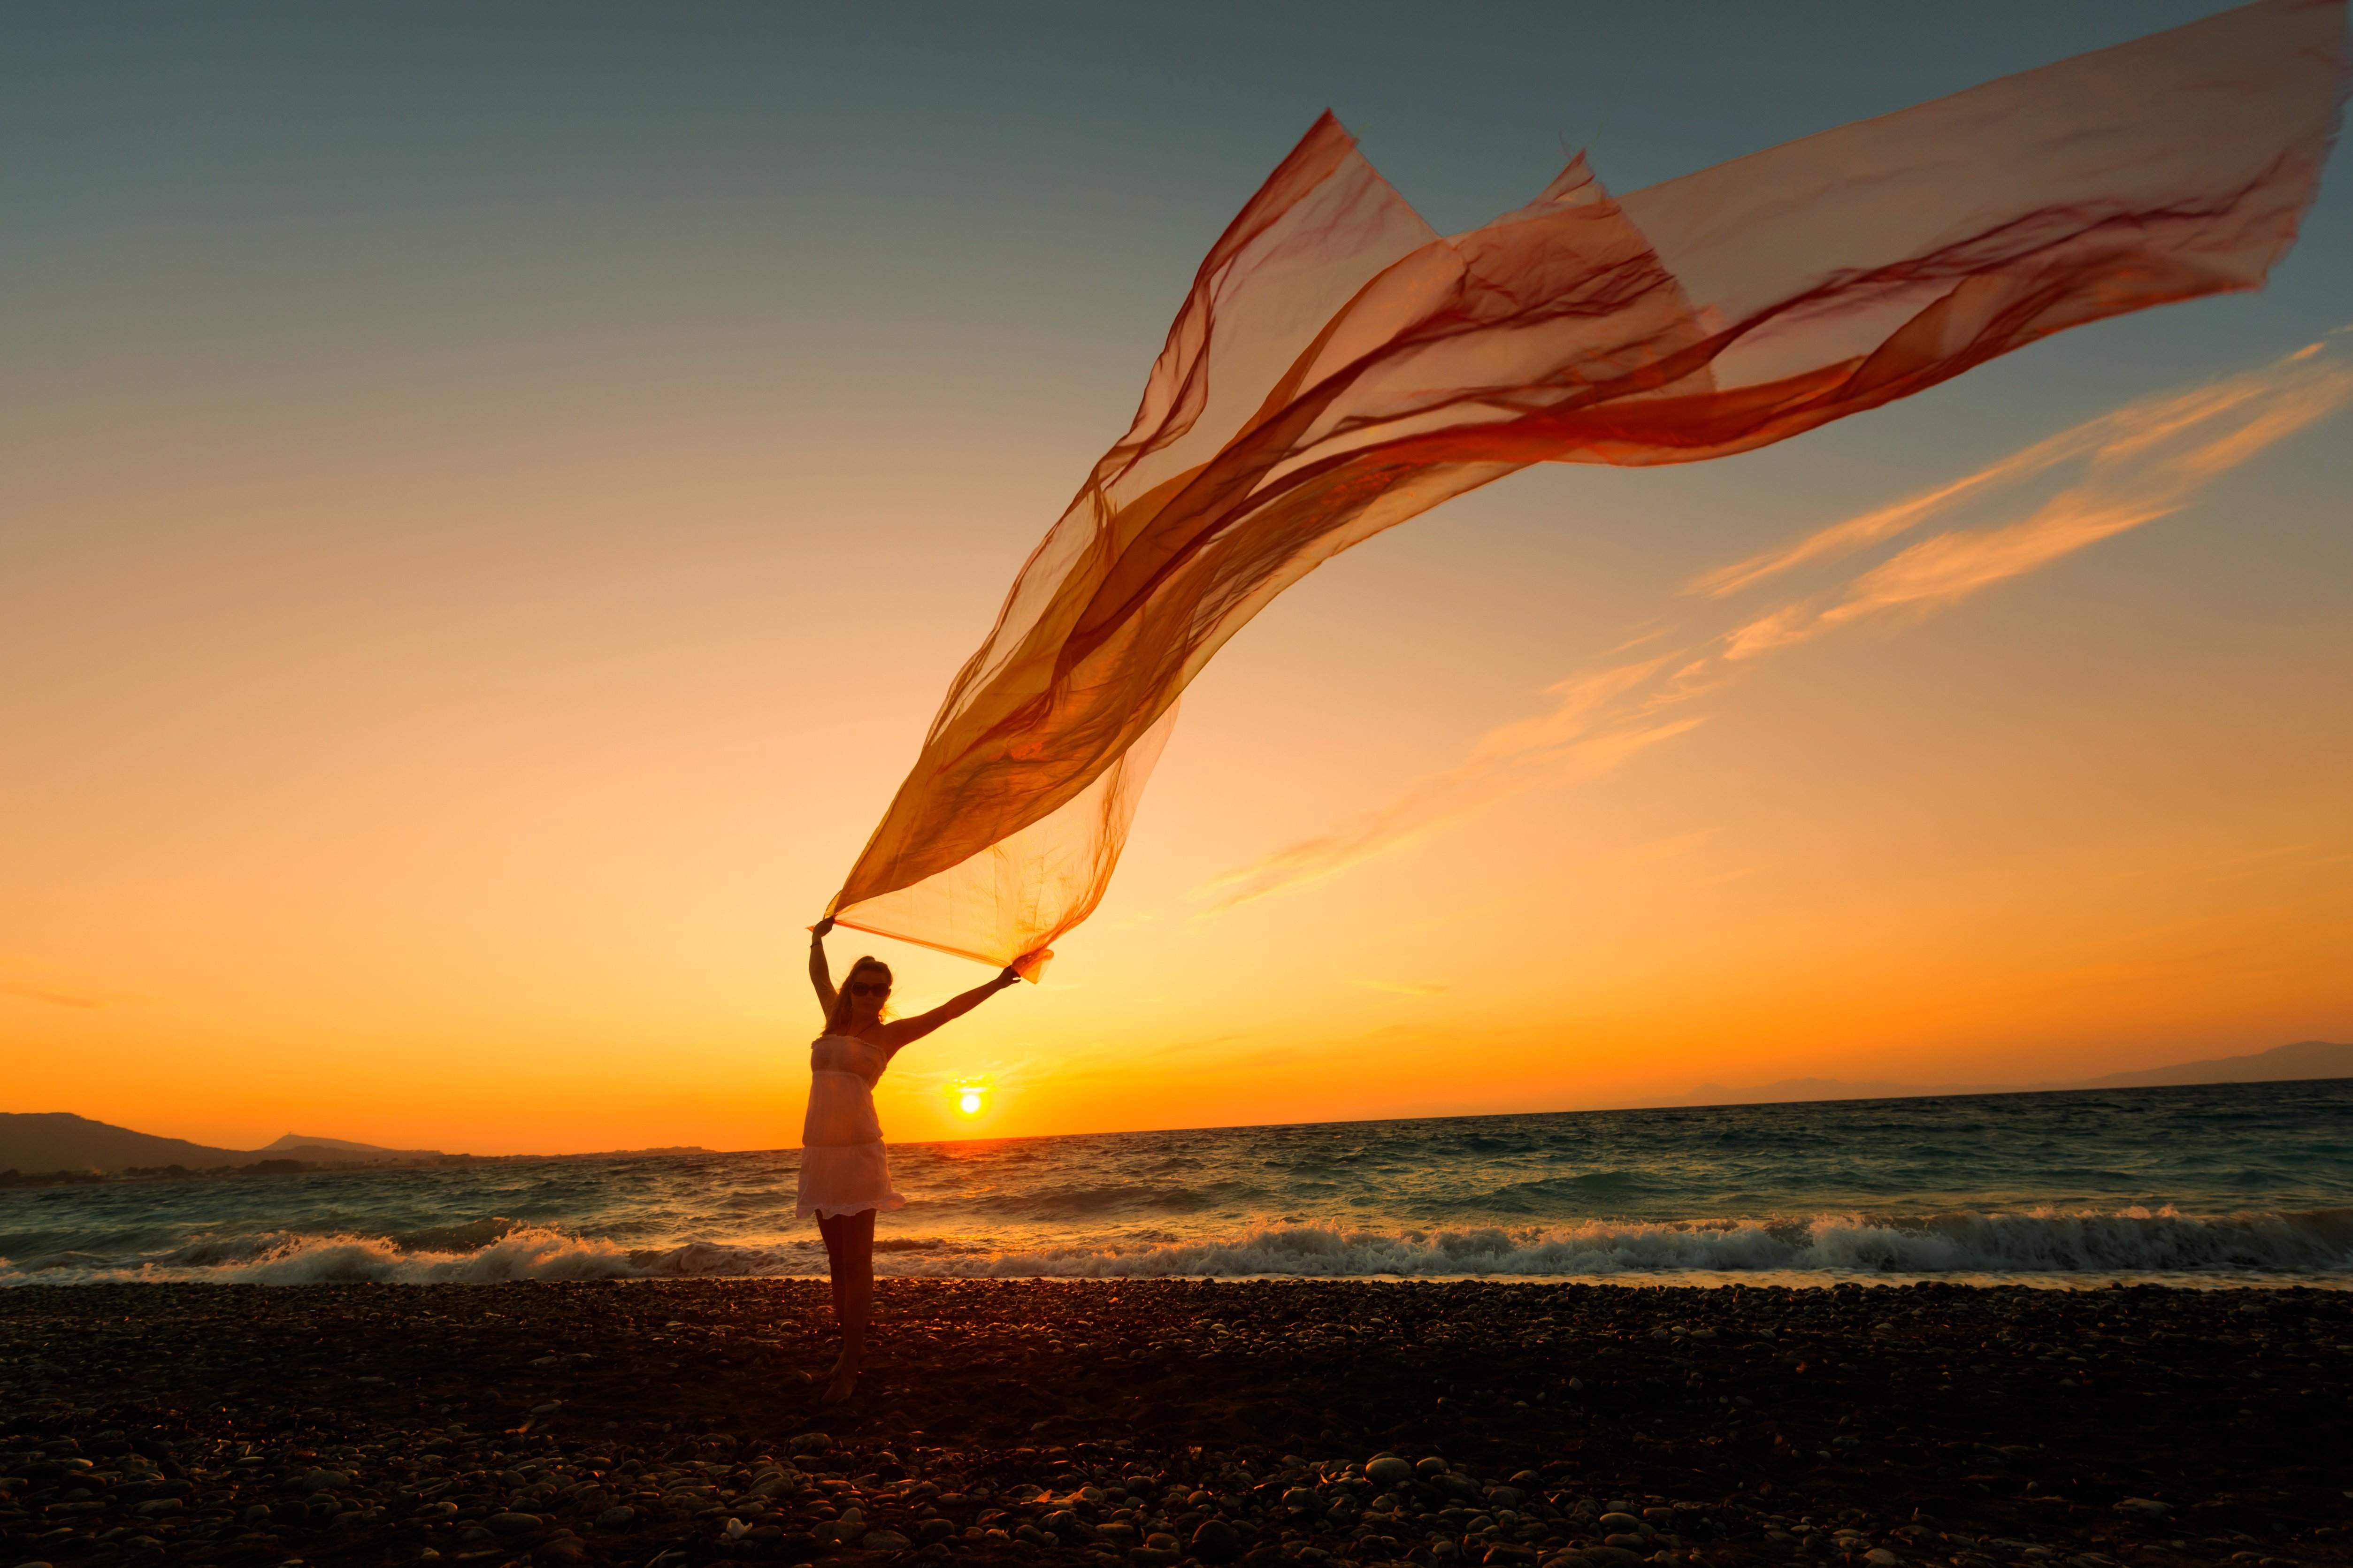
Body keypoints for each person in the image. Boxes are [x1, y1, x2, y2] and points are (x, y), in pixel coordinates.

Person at [801, 917, 1021, 1402]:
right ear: (851, 989)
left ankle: (850, 1368)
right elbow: (819, 976)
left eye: (878, 989)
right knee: (837, 1264)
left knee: (858, 1264)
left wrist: (1000, 981)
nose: (869, 994)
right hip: (819, 1155)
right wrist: (817, 939)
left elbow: (947, 1011)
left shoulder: (890, 1036)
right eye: (861, 986)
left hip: (858, 1156)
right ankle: (844, 1351)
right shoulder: (832, 1021)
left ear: (886, 994)